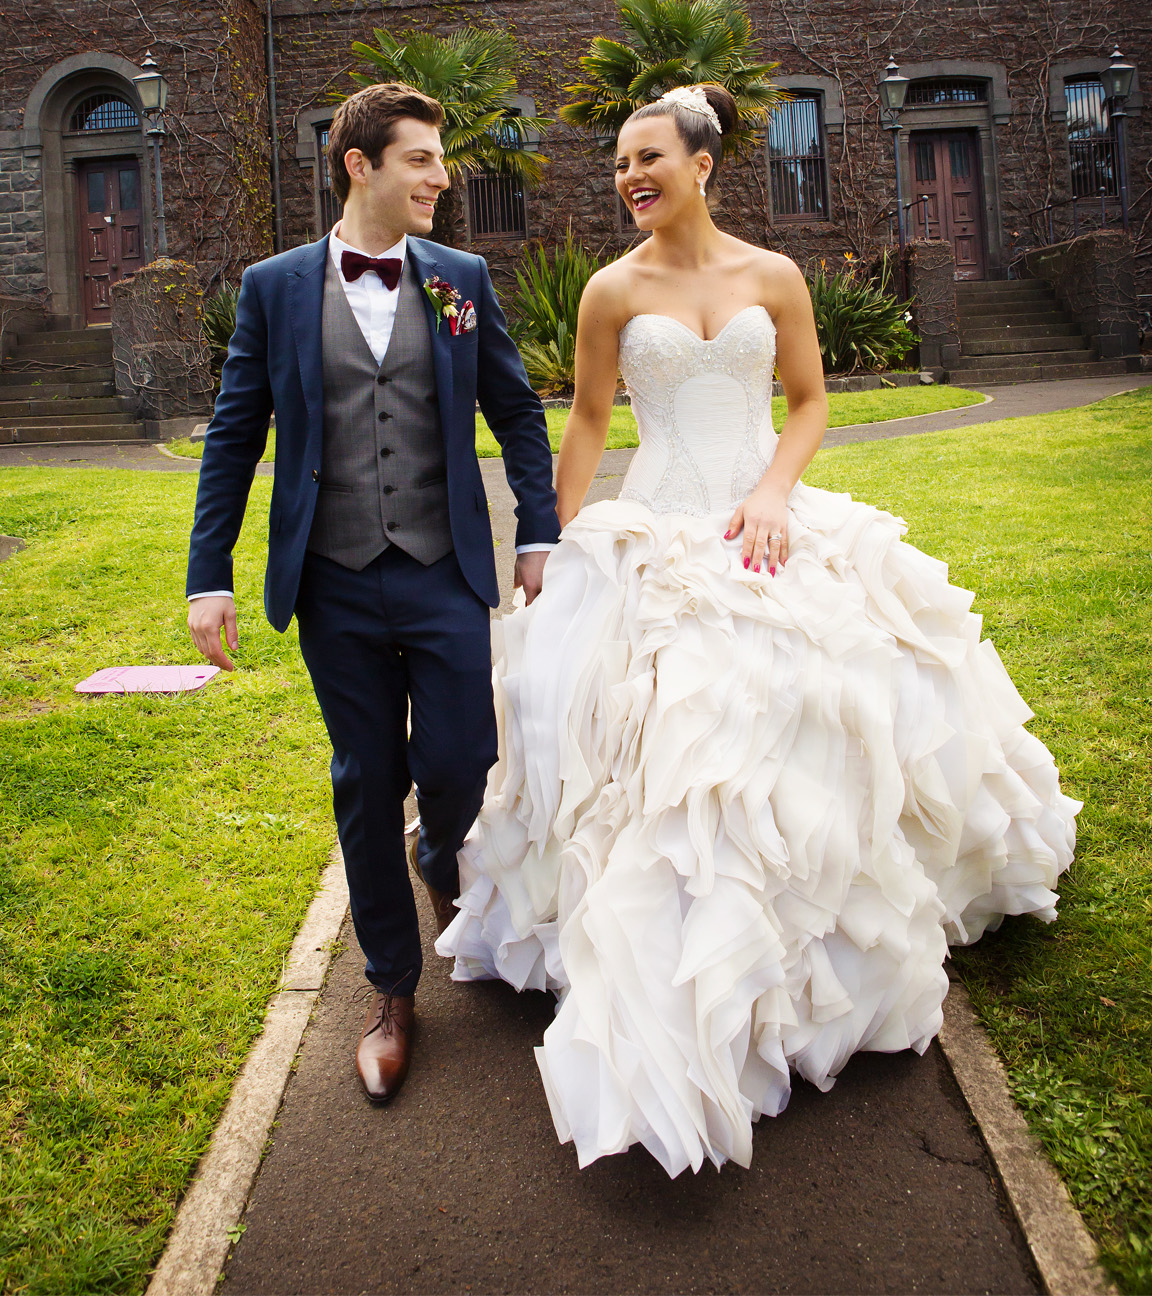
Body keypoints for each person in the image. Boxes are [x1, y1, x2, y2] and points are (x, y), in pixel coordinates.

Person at [438, 83, 1079, 1177]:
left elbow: (811, 402)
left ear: (704, 164)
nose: (629, 177)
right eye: (619, 165)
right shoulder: (607, 289)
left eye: (649, 157)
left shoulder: (772, 277)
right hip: (661, 521)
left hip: (759, 516)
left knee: (841, 686)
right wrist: (554, 542)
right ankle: (676, 949)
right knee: (656, 724)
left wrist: (777, 491)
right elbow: (589, 422)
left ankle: (817, 932)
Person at [186, 82, 558, 1107]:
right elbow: (234, 437)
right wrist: (207, 574)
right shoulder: (273, 288)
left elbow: (519, 415)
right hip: (333, 580)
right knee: (363, 778)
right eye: (424, 161)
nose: (443, 178)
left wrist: (540, 534)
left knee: (458, 760)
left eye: (440, 161)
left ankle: (438, 851)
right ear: (362, 166)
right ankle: (392, 991)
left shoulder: (461, 277)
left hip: (443, 571)